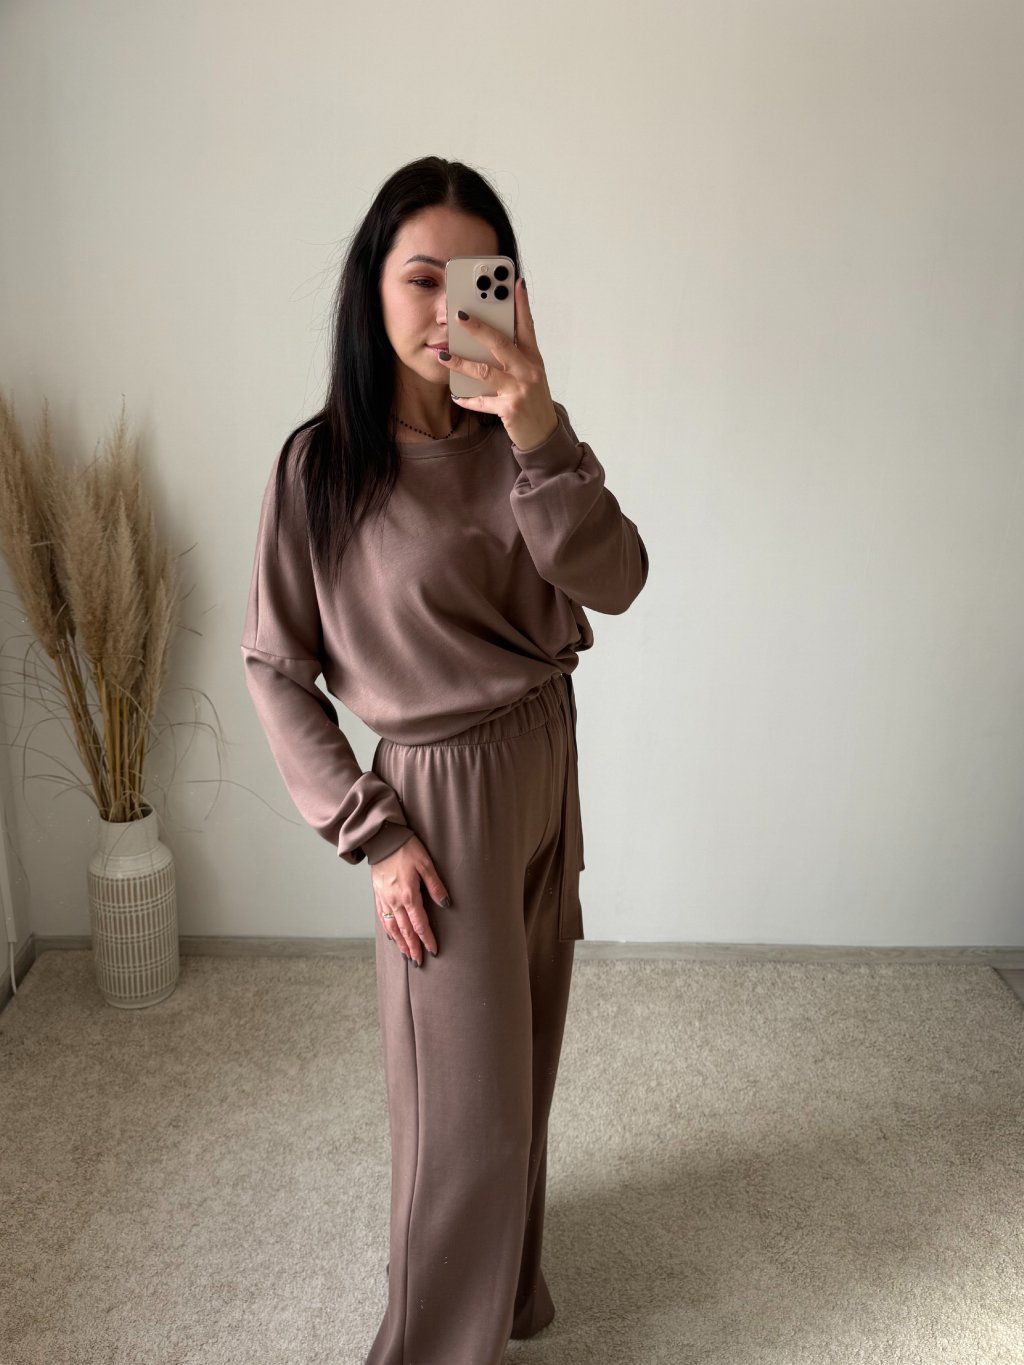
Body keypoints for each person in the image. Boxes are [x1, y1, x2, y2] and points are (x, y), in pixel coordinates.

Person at [240, 155, 649, 1365]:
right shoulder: (322, 467)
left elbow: (617, 580)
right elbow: (274, 667)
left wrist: (537, 424)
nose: (443, 312)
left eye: (475, 283)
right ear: (372, 287)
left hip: (545, 766)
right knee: (458, 1120)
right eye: (421, 279)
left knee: (521, 1077)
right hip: (439, 802)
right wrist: (373, 837)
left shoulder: (524, 440)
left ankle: (505, 1296)